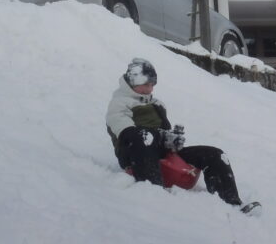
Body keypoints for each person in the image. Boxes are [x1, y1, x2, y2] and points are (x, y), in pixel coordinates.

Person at [107, 57, 260, 215]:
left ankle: (232, 202)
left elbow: (162, 135)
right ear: (134, 82)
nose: (150, 89)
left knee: (215, 155)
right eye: (146, 85)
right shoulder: (119, 103)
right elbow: (128, 134)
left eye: (152, 85)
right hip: (134, 154)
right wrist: (161, 137)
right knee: (145, 136)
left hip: (158, 151)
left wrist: (172, 140)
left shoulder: (156, 103)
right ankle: (155, 196)